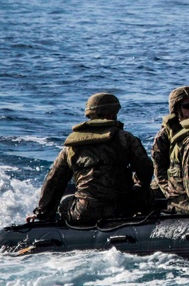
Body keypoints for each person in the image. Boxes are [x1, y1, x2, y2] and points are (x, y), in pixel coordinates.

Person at [30, 93, 154, 224]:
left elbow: (54, 182)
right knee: (145, 193)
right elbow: (145, 171)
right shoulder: (126, 138)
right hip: (122, 208)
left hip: (84, 211)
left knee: (64, 203)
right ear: (111, 115)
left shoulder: (71, 146)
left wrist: (41, 213)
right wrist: (136, 184)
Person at [150, 85, 189, 199]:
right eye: (187, 106)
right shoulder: (164, 136)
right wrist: (171, 193)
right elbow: (160, 172)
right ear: (176, 109)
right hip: (171, 185)